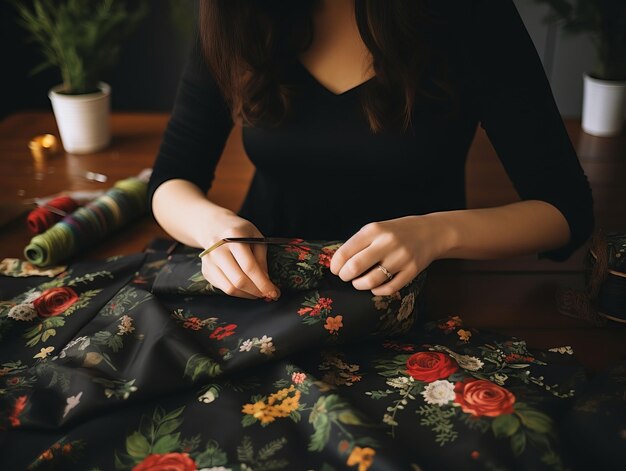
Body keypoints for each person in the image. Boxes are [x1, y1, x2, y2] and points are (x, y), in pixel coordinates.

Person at [149, 0, 594, 302]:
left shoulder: (469, 13)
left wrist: (436, 234)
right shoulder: (239, 12)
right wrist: (215, 230)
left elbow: (566, 210)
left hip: (419, 298)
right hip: (261, 289)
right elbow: (171, 179)